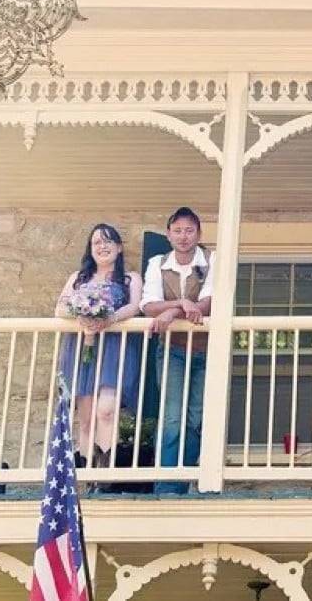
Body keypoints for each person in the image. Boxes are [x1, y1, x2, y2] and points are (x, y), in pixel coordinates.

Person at [55, 223, 143, 465]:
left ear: (119, 247)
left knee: (106, 410)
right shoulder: (78, 278)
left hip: (114, 349)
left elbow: (134, 306)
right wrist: (82, 316)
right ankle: (87, 475)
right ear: (90, 249)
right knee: (86, 418)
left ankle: (106, 472)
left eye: (108, 241)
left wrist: (109, 318)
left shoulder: (130, 278)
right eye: (96, 242)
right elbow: (59, 308)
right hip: (83, 347)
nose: (102, 246)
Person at [141, 207, 215, 495]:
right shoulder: (158, 263)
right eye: (178, 230)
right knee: (172, 417)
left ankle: (182, 483)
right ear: (169, 234)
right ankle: (166, 486)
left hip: (205, 351)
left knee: (196, 418)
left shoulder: (211, 261)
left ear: (198, 234)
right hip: (171, 350)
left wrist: (171, 312)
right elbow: (148, 305)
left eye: (189, 230)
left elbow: (208, 303)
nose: (183, 236)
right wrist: (182, 304)